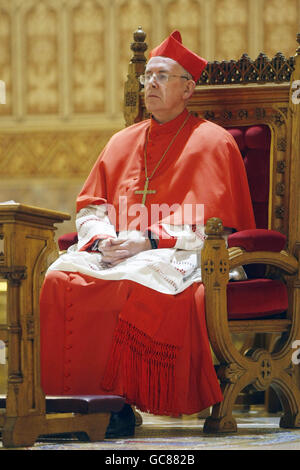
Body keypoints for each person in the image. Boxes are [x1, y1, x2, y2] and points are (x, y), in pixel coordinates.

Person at [40, 30, 255, 438]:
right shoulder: (121, 141)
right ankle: (72, 405)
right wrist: (103, 239)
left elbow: (217, 226)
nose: (150, 84)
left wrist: (149, 240)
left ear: (188, 88)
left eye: (162, 76)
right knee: (58, 278)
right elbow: (91, 206)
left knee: (135, 282)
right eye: (148, 76)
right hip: (119, 248)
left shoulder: (214, 142)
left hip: (180, 254)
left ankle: (119, 400)